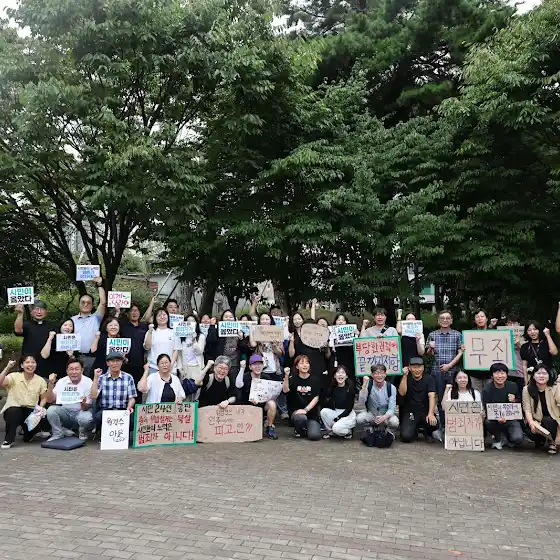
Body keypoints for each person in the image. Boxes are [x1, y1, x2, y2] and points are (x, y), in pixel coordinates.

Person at [426, 310, 463, 436]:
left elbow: (461, 353)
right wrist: (430, 348)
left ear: (451, 320)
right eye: (442, 318)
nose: (445, 320)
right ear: (438, 321)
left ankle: (455, 426)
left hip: (453, 372)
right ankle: (443, 427)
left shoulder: (457, 335)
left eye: (447, 318)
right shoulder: (432, 335)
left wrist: (450, 365)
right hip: (437, 372)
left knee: (454, 399)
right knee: (441, 400)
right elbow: (428, 354)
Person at [1, 356, 48, 449]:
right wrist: (7, 368)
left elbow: (44, 398)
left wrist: (39, 409)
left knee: (28, 437)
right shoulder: (13, 376)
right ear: (22, 365)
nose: (30, 364)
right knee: (13, 412)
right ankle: (9, 439)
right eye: (27, 362)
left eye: (33, 362)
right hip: (14, 408)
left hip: (30, 411)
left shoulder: (40, 380)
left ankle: (31, 433)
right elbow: (0, 382)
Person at [45, 357, 94, 441]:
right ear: (67, 371)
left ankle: (82, 431)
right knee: (51, 410)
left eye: (77, 369)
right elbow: (50, 400)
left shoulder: (88, 382)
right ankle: (58, 433)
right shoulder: (62, 381)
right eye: (71, 369)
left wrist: (83, 403)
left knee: (86, 418)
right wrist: (50, 385)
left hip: (81, 411)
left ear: (82, 370)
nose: (74, 372)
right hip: (66, 413)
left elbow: (87, 406)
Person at [248, 312, 287, 419]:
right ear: (259, 321)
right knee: (262, 392)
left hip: (275, 368)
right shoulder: (257, 332)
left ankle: (281, 411)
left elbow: (280, 353)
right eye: (262, 319)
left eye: (267, 319)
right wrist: (251, 330)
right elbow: (253, 345)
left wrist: (274, 345)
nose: (265, 321)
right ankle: (264, 415)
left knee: (277, 390)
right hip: (261, 368)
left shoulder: (276, 332)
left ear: (270, 321)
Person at [482, 363, 524, 450]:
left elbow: (520, 403)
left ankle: (507, 437)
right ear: (492, 376)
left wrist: (514, 400)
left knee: (518, 439)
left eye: (502, 373)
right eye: (497, 373)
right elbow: (486, 407)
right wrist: (497, 417)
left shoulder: (513, 386)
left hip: (511, 418)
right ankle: (498, 437)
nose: (500, 376)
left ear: (507, 375)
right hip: (495, 420)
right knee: (488, 422)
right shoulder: (487, 389)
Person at [236, 355, 278, 439]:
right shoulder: (246, 376)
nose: (257, 366)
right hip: (247, 407)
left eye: (260, 364)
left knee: (272, 403)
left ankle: (269, 427)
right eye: (254, 364)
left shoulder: (266, 377)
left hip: (261, 406)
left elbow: (271, 395)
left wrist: (262, 399)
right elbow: (238, 385)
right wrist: (242, 368)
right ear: (250, 367)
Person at [90, 351, 137, 429]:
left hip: (122, 409)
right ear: (107, 363)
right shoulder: (101, 378)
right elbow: (93, 396)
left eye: (118, 361)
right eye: (112, 361)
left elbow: (132, 398)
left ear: (121, 362)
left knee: (133, 420)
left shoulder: (128, 377)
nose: (115, 363)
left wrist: (129, 407)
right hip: (105, 409)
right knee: (97, 418)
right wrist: (96, 378)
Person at [71, 276, 107, 374]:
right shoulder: (72, 320)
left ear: (92, 305)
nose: (85, 304)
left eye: (88, 303)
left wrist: (100, 284)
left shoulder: (96, 318)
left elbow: (103, 302)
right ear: (79, 304)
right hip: (75, 358)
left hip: (92, 358)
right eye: (83, 302)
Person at [398, 357, 439, 443]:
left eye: (419, 367)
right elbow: (402, 393)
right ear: (409, 368)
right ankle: (415, 430)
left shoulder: (429, 379)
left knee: (434, 423)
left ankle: (427, 432)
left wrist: (431, 413)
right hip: (411, 412)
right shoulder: (406, 378)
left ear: (423, 368)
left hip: (425, 411)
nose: (417, 370)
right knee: (406, 436)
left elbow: (432, 396)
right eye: (414, 367)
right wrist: (404, 376)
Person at [522, 365, 560, 454]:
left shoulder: (554, 388)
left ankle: (552, 442)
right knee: (527, 428)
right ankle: (541, 439)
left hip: (553, 419)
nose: (541, 376)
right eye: (538, 373)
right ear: (533, 376)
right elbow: (527, 409)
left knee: (548, 420)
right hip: (536, 421)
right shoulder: (527, 389)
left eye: (544, 373)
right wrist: (531, 423)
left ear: (549, 376)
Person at [14, 300, 55, 379]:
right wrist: (20, 314)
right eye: (36, 309)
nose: (39, 312)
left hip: (47, 365)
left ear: (46, 312)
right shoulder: (26, 325)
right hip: (29, 364)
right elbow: (18, 330)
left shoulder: (52, 326)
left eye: (42, 309)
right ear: (31, 312)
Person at [283, 355, 321, 441]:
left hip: (311, 414)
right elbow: (285, 391)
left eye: (307, 363)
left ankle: (307, 428)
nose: (305, 365)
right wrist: (286, 376)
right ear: (297, 366)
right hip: (296, 412)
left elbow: (316, 397)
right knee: (301, 418)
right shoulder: (292, 379)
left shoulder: (315, 380)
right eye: (302, 363)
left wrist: (306, 410)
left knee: (314, 436)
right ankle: (299, 430)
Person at [356, 364, 399, 435]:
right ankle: (369, 430)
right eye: (376, 373)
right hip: (372, 413)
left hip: (385, 414)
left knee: (394, 422)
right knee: (360, 419)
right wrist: (364, 386)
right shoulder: (368, 385)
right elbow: (361, 401)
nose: (379, 376)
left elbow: (392, 408)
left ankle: (389, 433)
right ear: (372, 375)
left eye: (382, 373)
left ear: (385, 374)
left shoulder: (391, 387)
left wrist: (384, 417)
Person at [463, 309, 498, 394]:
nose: (480, 319)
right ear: (474, 320)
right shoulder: (469, 334)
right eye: (477, 317)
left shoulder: (495, 333)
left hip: (491, 373)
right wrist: (463, 348)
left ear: (487, 319)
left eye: (482, 316)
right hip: (474, 373)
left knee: (490, 396)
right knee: (476, 396)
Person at [288, 314, 330, 382]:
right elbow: (291, 355)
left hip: (318, 370)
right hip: (303, 371)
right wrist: (291, 341)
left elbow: (327, 355)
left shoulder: (321, 340)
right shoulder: (299, 339)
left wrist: (326, 347)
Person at [205, 310, 244, 382]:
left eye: (231, 317)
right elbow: (210, 341)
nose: (228, 318)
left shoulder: (239, 331)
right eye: (226, 317)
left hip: (234, 364)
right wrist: (212, 326)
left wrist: (241, 339)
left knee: (233, 384)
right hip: (220, 364)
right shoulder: (218, 330)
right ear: (222, 319)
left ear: (234, 319)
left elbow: (244, 349)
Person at [120, 300, 151, 389]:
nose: (134, 313)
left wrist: (151, 303)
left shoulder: (144, 327)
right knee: (125, 390)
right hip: (125, 364)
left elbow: (148, 318)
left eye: (136, 310)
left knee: (139, 389)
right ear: (127, 314)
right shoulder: (122, 326)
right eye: (131, 311)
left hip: (140, 365)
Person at [320, 365, 356, 439]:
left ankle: (348, 431)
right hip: (336, 411)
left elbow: (349, 408)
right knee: (323, 412)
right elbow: (326, 401)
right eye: (338, 372)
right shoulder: (333, 388)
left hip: (347, 414)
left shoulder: (350, 389)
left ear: (346, 376)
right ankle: (331, 432)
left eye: (343, 373)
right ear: (334, 376)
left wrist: (337, 418)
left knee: (337, 428)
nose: (340, 374)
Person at [173, 314, 206, 381]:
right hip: (185, 367)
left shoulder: (201, 336)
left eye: (193, 321)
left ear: (196, 323)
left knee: (196, 386)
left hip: (196, 367)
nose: (190, 323)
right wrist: (180, 368)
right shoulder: (181, 337)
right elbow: (179, 354)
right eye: (188, 321)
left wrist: (194, 341)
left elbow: (200, 352)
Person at [144, 308, 176, 374]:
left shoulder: (173, 332)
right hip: (153, 367)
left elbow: (176, 350)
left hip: (170, 368)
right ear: (155, 318)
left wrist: (170, 365)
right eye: (159, 315)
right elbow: (147, 347)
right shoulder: (151, 331)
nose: (162, 317)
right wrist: (150, 331)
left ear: (168, 316)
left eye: (164, 315)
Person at [505, 314, 527, 396]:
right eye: (509, 323)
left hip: (520, 373)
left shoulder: (525, 338)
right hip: (506, 374)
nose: (512, 326)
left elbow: (528, 355)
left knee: (520, 397)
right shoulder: (501, 337)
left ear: (519, 324)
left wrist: (518, 345)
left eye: (514, 323)